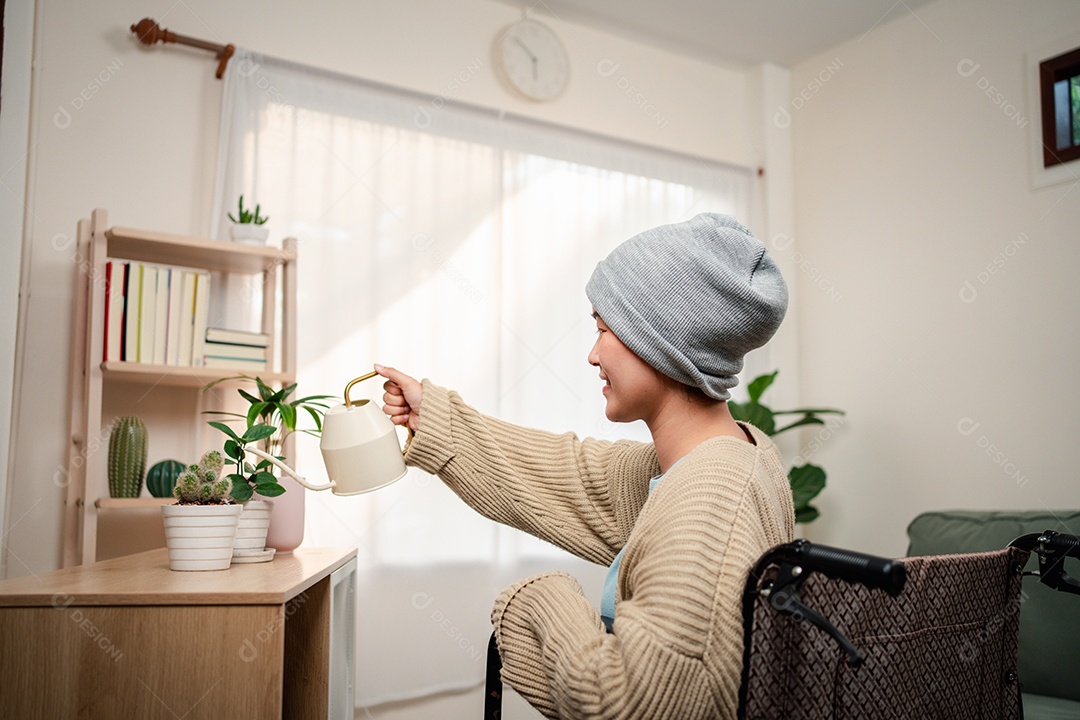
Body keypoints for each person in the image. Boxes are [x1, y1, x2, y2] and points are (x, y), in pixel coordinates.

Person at [375, 213, 795, 720]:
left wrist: (538, 599)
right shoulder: (723, 457)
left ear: (660, 342)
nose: (593, 355)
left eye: (603, 329)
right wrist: (436, 417)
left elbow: (631, 705)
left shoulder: (709, 503)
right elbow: (572, 475)